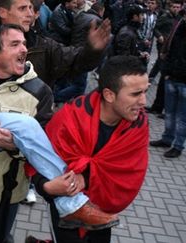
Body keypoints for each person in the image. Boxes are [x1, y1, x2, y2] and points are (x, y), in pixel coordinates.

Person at [0, 24, 116, 243]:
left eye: (24, 44)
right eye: (14, 44)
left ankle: (72, 205)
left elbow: (45, 145)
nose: (23, 49)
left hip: (10, 188)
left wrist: (15, 146)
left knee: (0, 238)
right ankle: (72, 206)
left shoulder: (40, 91)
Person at [27, 55, 149, 243]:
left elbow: (130, 173)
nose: (144, 102)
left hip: (102, 212)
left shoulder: (138, 126)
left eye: (145, 92)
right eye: (136, 94)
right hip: (63, 212)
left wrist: (85, 178)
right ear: (109, 95)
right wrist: (46, 186)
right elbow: (38, 160)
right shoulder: (69, 118)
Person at [0, 0, 111, 88]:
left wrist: (93, 49)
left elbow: (75, 62)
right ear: (3, 12)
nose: (30, 13)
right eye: (22, 9)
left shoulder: (43, 45)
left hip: (38, 123)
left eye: (30, 8)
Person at [150, 13, 186, 158]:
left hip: (183, 81)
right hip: (171, 77)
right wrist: (166, 72)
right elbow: (170, 50)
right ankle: (167, 138)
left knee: (182, 117)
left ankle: (178, 146)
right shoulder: (179, 27)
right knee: (170, 112)